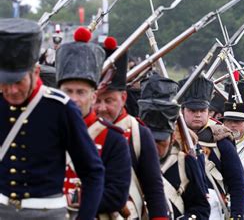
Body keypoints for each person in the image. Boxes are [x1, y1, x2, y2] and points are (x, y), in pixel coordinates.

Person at [0, 18, 104, 219]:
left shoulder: (60, 108)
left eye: (18, 82)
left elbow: (92, 172)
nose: (11, 90)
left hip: (46, 213)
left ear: (36, 72)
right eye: (5, 82)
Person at [56, 27, 131, 217]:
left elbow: (117, 195)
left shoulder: (113, 138)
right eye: (68, 91)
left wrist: (70, 200)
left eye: (80, 92)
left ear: (93, 96)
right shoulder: (43, 130)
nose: (74, 99)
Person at [94, 37, 169, 219]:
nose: (102, 108)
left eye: (109, 100)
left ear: (123, 98)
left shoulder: (138, 133)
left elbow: (153, 188)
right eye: (97, 100)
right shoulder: (79, 128)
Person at [139, 74, 210, 219]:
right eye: (150, 140)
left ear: (171, 138)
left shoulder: (185, 162)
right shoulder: (129, 157)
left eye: (160, 141)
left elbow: (201, 208)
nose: (154, 147)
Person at [179, 75, 244, 219]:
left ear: (208, 111)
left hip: (213, 210)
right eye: (192, 110)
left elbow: (237, 183)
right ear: (183, 110)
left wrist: (237, 216)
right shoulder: (173, 139)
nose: (197, 115)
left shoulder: (221, 139)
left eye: (202, 110)